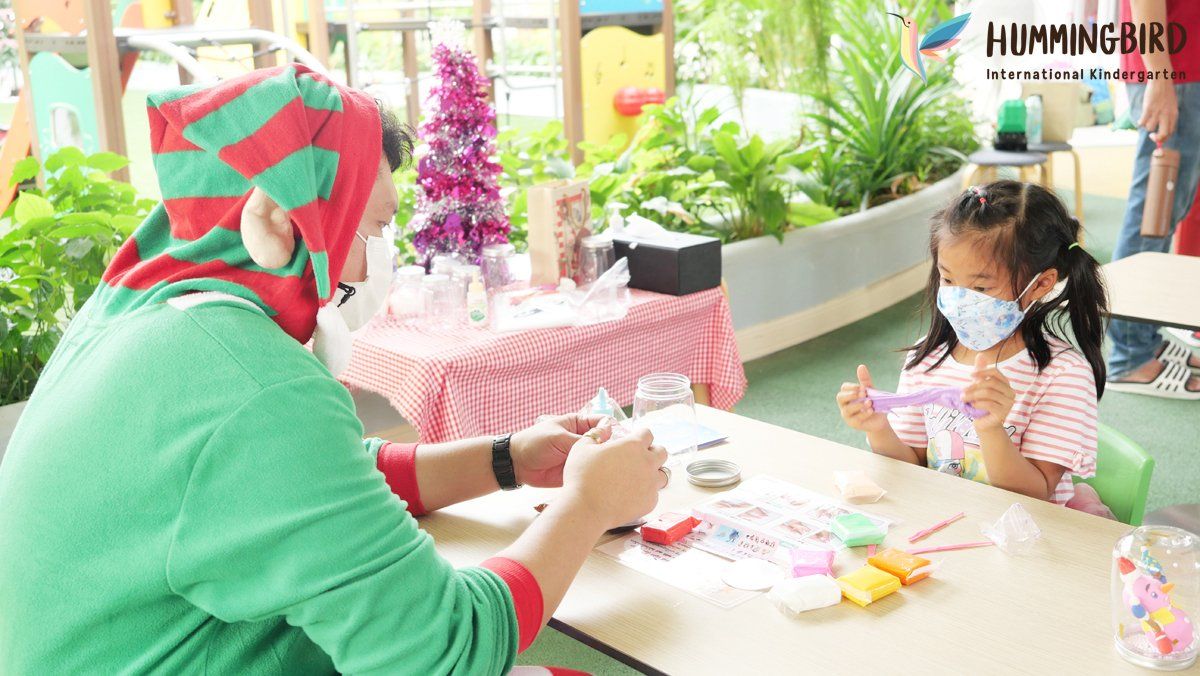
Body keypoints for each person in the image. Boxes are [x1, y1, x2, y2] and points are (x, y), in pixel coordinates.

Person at [0, 66, 668, 674]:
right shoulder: (257, 386)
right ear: (283, 220)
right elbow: (443, 649)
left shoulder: (144, 310)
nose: (366, 267)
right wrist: (589, 504)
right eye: (372, 228)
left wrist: (508, 458)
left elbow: (317, 482)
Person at [836, 181, 1111, 511]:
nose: (958, 298)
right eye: (948, 280)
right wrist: (877, 427)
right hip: (950, 521)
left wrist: (992, 430)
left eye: (981, 286)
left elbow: (1037, 494)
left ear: (1040, 284)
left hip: (1029, 536)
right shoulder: (927, 358)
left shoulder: (1062, 376)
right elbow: (914, 463)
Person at [1105, 0, 1200, 398]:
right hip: (1173, 71)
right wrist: (1160, 78)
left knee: (1166, 208)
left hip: (1180, 68)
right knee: (1153, 213)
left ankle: (1142, 336)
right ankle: (1129, 355)